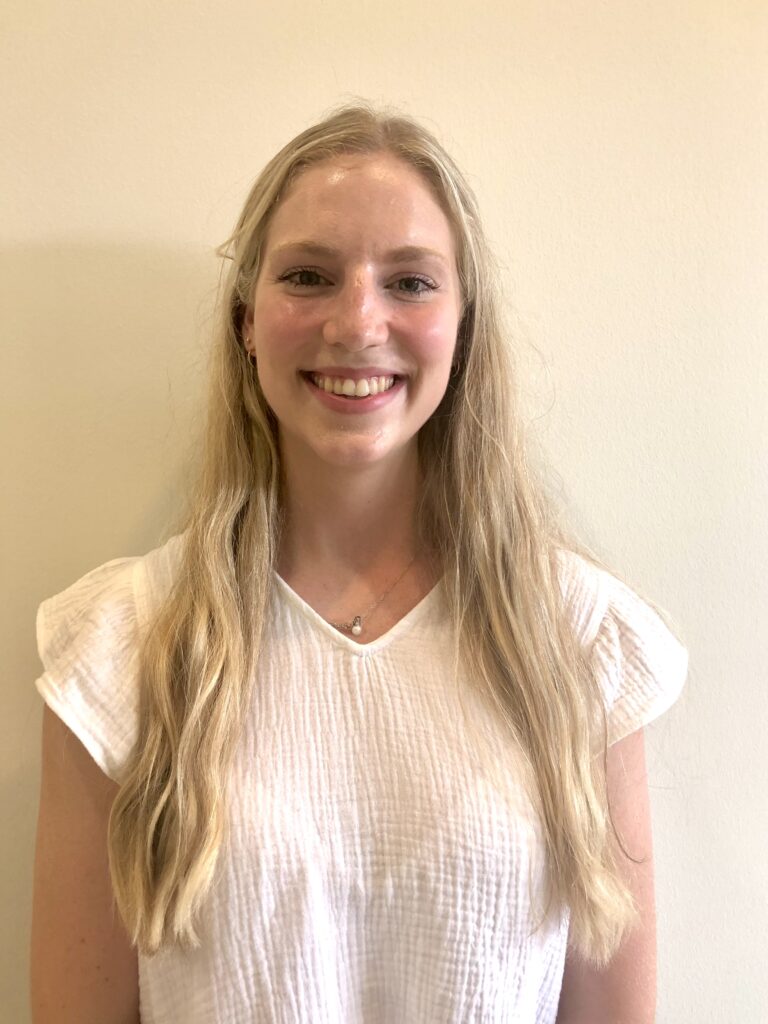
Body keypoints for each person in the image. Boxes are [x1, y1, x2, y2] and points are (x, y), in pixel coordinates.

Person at [30, 103, 688, 1024]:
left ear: (462, 325)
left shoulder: (578, 642)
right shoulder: (122, 650)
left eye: (410, 282)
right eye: (309, 276)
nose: (358, 322)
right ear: (246, 322)